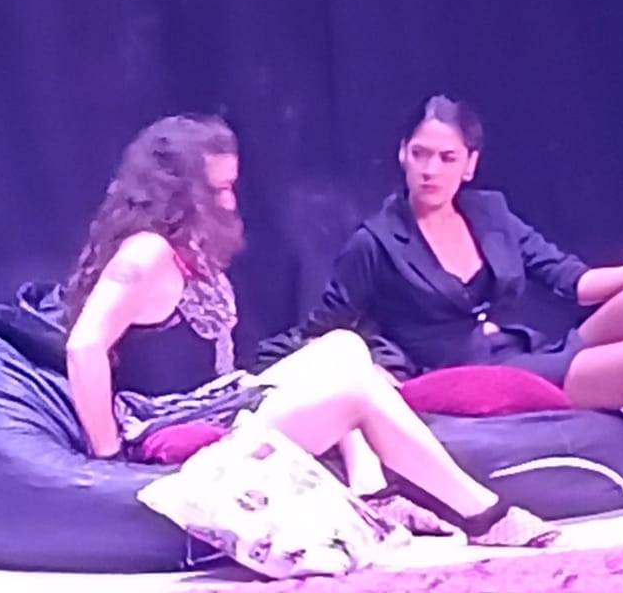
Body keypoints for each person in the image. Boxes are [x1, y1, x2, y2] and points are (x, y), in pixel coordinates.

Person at [277, 95, 623, 524]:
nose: (431, 170)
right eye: (420, 154)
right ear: (402, 156)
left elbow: (571, 281)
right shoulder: (376, 242)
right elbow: (325, 331)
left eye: (447, 157)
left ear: (470, 164)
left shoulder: (490, 213)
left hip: (521, 354)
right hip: (463, 375)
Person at [62, 113, 557, 547]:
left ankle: (372, 494)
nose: (229, 203)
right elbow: (84, 346)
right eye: (215, 191)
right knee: (355, 389)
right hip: (172, 431)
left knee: (343, 345)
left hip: (217, 401)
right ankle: (481, 515)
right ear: (175, 190)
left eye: (231, 187)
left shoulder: (184, 248)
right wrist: (109, 461)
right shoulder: (146, 252)